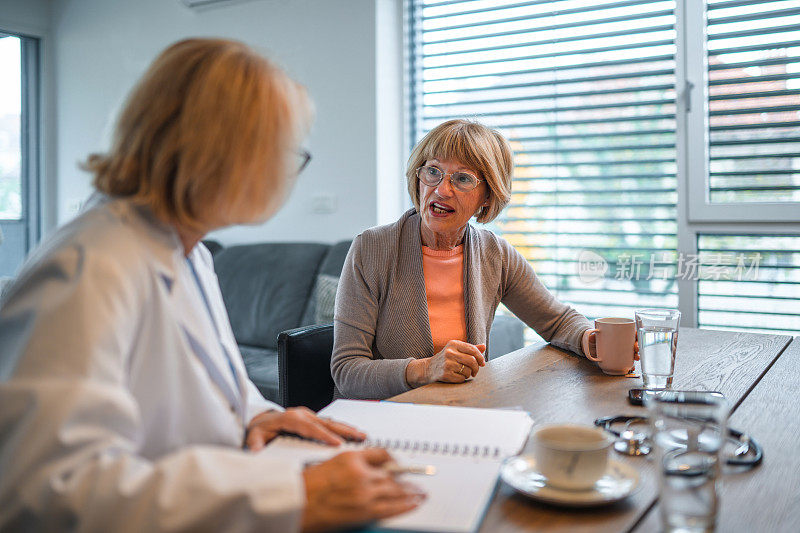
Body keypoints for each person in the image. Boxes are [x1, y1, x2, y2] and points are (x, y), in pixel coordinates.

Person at [0, 38, 422, 532]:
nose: (289, 170)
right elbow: (45, 494)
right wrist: (291, 494)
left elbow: (215, 381)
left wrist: (255, 416)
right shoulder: (90, 265)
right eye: (285, 151)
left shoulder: (189, 251)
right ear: (223, 151)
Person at [331, 119, 637, 400]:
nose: (441, 189)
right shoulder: (371, 248)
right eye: (433, 171)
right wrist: (425, 369)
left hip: (463, 407)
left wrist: (589, 341)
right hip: (385, 415)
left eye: (462, 179)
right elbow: (347, 371)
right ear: (418, 176)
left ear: (487, 197)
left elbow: (556, 321)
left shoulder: (496, 254)